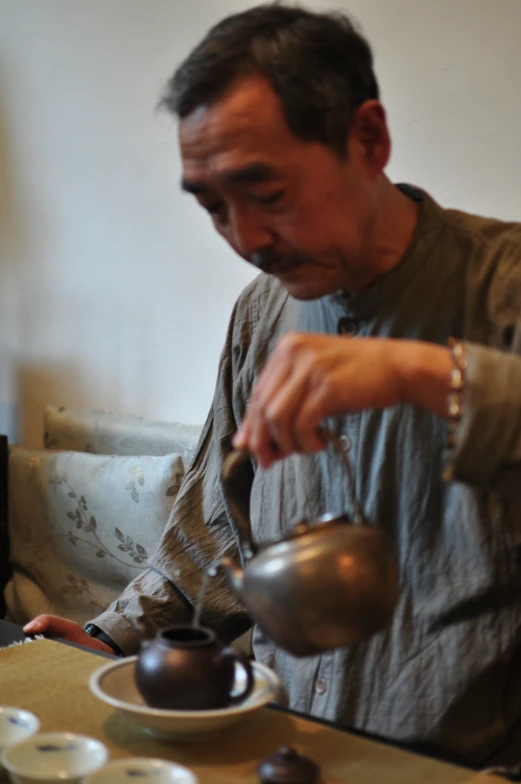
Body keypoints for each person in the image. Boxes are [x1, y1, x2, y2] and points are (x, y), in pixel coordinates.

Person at [24, 4, 521, 768]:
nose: (246, 240)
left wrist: (430, 373)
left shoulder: (503, 286)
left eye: (268, 193)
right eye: (213, 206)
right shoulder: (264, 311)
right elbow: (214, 527)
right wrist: (108, 638)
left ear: (368, 139)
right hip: (279, 747)